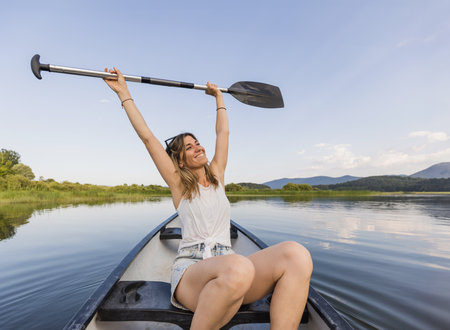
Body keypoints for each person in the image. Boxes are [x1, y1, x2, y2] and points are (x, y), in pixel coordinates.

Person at [104, 67, 313, 330]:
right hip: (192, 274)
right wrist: (124, 94)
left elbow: (222, 134)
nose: (198, 147)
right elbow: (148, 138)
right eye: (189, 148)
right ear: (180, 160)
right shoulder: (178, 183)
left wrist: (218, 98)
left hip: (232, 270)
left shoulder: (217, 175)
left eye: (197, 142)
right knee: (239, 267)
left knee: (297, 255)